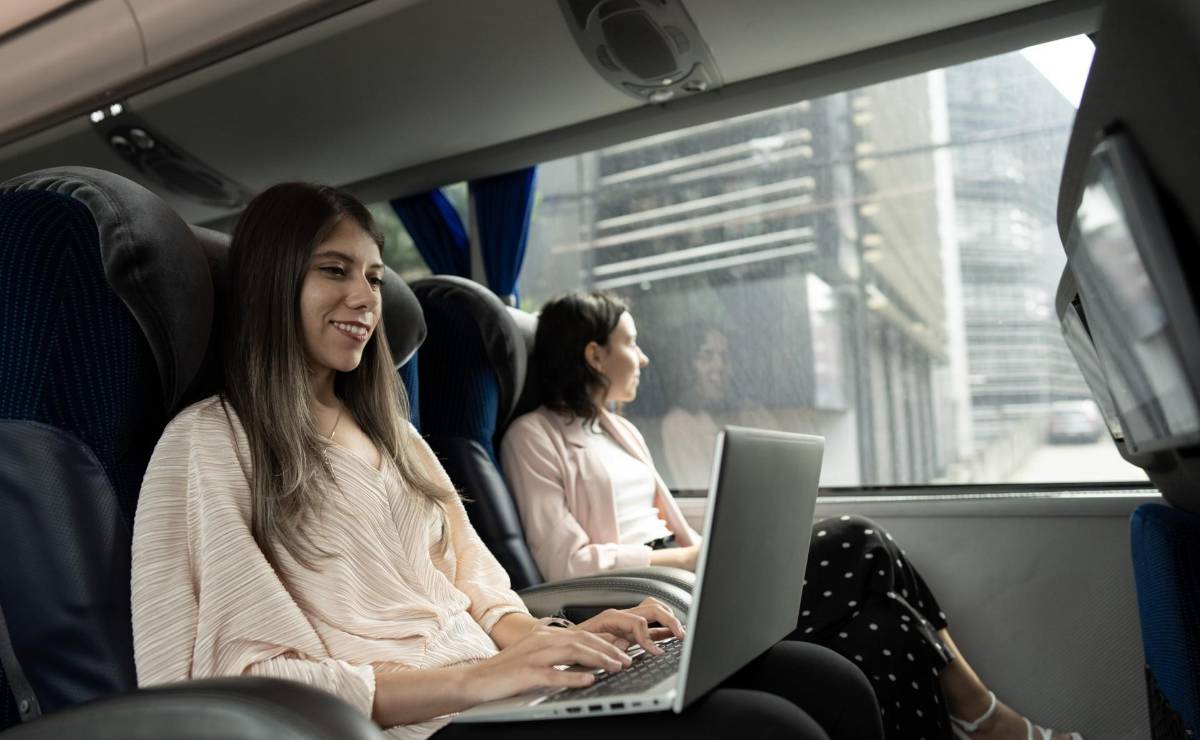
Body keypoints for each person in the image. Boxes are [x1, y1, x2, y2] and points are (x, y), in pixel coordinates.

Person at [130, 183, 884, 740]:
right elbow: (248, 683)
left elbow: (482, 594)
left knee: (826, 681)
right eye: (334, 270)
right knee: (769, 731)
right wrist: (478, 678)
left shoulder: (395, 435)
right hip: (415, 724)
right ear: (272, 281)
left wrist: (559, 638)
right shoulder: (212, 443)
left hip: (492, 691)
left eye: (373, 275)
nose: (365, 297)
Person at [500, 290, 1084, 740]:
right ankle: (987, 718)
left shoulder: (621, 431)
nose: (643, 356)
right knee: (858, 537)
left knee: (887, 626)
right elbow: (564, 560)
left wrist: (722, 548)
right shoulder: (533, 437)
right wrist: (689, 558)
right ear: (595, 354)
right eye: (631, 342)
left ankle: (983, 725)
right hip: (657, 604)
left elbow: (675, 526)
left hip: (693, 577)